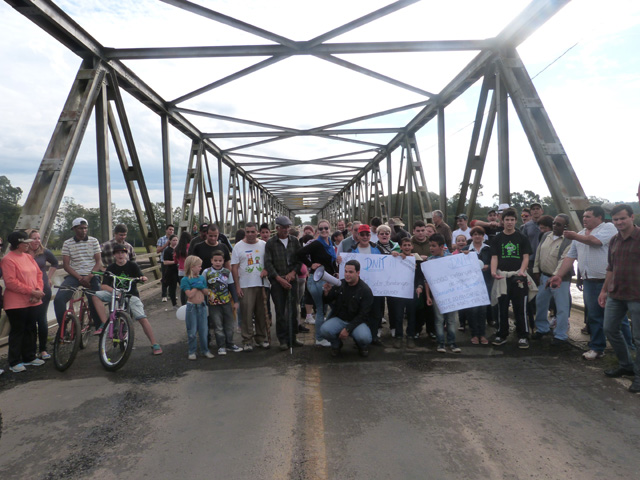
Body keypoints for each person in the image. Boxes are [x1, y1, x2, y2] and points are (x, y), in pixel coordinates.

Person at [548, 206, 618, 360]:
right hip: (589, 282)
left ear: (599, 217)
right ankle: (598, 347)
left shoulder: (608, 228)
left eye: (588, 216)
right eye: (584, 216)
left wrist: (574, 236)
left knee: (616, 317)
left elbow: (596, 242)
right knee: (594, 315)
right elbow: (570, 257)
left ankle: (627, 347)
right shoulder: (579, 235)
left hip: (608, 281)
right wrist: (559, 275)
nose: (584, 219)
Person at [94, 243, 163, 355]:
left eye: (123, 252)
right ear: (114, 255)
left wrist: (142, 278)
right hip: (115, 295)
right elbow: (104, 286)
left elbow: (141, 276)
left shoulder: (132, 265)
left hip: (131, 295)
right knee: (95, 295)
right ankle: (104, 324)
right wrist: (115, 291)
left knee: (142, 318)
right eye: (118, 253)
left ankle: (154, 343)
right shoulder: (111, 268)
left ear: (126, 254)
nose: (120, 255)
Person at [599, 204, 640, 392]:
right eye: (615, 219)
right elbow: (610, 268)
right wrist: (604, 291)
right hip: (616, 293)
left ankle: (639, 376)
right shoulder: (614, 240)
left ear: (632, 217)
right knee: (610, 329)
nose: (619, 222)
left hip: (637, 295)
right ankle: (626, 365)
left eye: (623, 218)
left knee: (638, 338)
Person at [1, 232, 45, 373]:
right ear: (18, 244)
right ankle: (14, 362)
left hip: (33, 300)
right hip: (16, 303)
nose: (28, 244)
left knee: (31, 329)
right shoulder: (8, 260)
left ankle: (29, 357)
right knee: (18, 331)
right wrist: (32, 292)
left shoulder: (28, 257)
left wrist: (38, 290)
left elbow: (39, 274)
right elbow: (11, 282)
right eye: (25, 242)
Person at [53, 217, 107, 332]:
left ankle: (100, 326)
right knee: (59, 299)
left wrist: (89, 276)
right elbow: (66, 265)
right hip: (74, 275)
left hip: (91, 274)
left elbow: (98, 262)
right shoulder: (67, 243)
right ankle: (63, 327)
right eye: (80, 228)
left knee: (95, 298)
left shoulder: (93, 241)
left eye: (85, 228)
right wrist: (79, 278)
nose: (83, 231)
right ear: (74, 229)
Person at [490, 208, 533, 349]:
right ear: (502, 221)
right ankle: (502, 334)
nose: (509, 222)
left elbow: (526, 257)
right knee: (501, 307)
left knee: (520, 307)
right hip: (502, 276)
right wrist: (493, 272)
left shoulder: (522, 238)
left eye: (512, 220)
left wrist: (521, 271)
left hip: (518, 276)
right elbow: (494, 257)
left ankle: (523, 335)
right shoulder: (497, 238)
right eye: (507, 220)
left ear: (515, 221)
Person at [531, 214, 573, 346]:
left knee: (561, 307)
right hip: (544, 276)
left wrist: (555, 276)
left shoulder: (569, 241)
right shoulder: (545, 236)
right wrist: (536, 270)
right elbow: (538, 253)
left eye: (558, 224)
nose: (555, 226)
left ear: (565, 226)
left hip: (560, 279)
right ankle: (542, 328)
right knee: (541, 303)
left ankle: (560, 335)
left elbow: (564, 260)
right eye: (554, 223)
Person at [264, 215, 304, 350]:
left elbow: (300, 260)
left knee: (293, 309)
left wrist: (293, 273)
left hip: (292, 279)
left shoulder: (295, 241)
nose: (286, 230)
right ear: (277, 228)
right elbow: (268, 263)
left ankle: (293, 337)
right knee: (280, 311)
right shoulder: (270, 243)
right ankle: (283, 339)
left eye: (288, 227)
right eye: (283, 227)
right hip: (277, 281)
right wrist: (279, 279)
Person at [320, 259, 374, 357]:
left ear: (358, 273)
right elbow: (327, 300)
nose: (347, 274)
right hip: (340, 319)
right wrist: (326, 293)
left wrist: (348, 329)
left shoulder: (365, 290)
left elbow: (363, 314)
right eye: (345, 271)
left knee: (364, 337)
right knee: (324, 330)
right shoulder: (340, 284)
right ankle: (336, 345)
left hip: (358, 322)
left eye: (350, 272)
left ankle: (361, 345)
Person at [296, 219, 336, 347]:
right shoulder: (316, 244)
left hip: (328, 279)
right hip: (318, 280)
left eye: (326, 228)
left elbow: (330, 262)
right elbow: (299, 253)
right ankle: (319, 338)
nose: (324, 230)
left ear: (330, 229)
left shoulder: (330, 243)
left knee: (333, 307)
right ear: (317, 231)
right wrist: (310, 265)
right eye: (321, 229)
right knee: (320, 310)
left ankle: (325, 331)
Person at [231, 222, 269, 351]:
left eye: (253, 232)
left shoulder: (264, 245)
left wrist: (267, 270)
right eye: (248, 232)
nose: (251, 234)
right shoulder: (238, 246)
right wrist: (237, 286)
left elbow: (270, 262)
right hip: (245, 285)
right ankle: (247, 340)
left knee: (261, 314)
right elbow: (234, 267)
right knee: (246, 314)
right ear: (245, 232)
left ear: (257, 232)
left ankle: (261, 338)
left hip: (261, 283)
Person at [424, 234, 461, 353]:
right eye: (430, 246)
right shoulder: (429, 261)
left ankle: (452, 343)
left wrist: (465, 255)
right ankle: (441, 344)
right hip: (437, 296)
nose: (431, 248)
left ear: (441, 246)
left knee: (451, 320)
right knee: (439, 320)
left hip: (451, 295)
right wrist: (428, 296)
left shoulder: (451, 258)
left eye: (433, 246)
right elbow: (427, 281)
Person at [26, 229, 58, 360]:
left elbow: (55, 263)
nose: (37, 241)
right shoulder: (23, 253)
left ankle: (43, 349)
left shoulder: (44, 252)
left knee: (42, 319)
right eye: (34, 238)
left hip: (43, 288)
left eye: (38, 238)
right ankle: (31, 351)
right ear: (27, 240)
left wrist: (49, 277)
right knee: (31, 321)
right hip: (29, 290)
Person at [204, 250, 242, 355]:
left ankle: (230, 343)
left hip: (226, 302)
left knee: (229, 324)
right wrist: (204, 302)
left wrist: (235, 301)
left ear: (223, 261)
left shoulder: (227, 272)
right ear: (211, 261)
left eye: (220, 260)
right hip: (213, 304)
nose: (217, 262)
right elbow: (203, 288)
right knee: (218, 325)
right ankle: (221, 346)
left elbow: (231, 286)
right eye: (215, 260)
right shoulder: (206, 272)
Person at [462, 226, 492, 345]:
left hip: (485, 282)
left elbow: (494, 263)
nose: (477, 236)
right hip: (471, 284)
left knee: (483, 310)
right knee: (472, 310)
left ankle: (482, 334)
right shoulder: (465, 250)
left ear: (483, 236)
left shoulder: (489, 249)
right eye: (475, 234)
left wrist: (488, 267)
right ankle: (474, 334)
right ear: (472, 236)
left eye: (480, 234)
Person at [181, 255, 214, 360]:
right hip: (192, 307)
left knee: (204, 330)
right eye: (199, 266)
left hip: (202, 306)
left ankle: (205, 350)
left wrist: (204, 288)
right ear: (192, 267)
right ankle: (192, 351)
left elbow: (205, 292)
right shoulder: (185, 280)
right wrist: (196, 286)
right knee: (192, 331)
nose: (200, 268)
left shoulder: (201, 278)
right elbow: (189, 295)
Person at [156, 224, 174, 302]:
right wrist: (166, 244)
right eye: (170, 229)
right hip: (164, 261)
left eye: (172, 230)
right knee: (165, 278)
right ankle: (164, 295)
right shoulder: (161, 239)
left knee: (172, 278)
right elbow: (158, 250)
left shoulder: (175, 239)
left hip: (173, 262)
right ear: (166, 230)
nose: (171, 231)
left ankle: (171, 294)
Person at [175, 231, 191, 305]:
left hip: (180, 270)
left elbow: (175, 260)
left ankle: (183, 304)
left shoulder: (177, 248)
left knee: (183, 289)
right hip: (189, 269)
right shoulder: (189, 246)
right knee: (190, 287)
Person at [162, 234, 179, 307]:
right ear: (170, 241)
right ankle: (174, 304)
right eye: (173, 240)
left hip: (179, 270)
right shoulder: (167, 250)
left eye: (176, 240)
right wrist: (175, 262)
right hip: (171, 270)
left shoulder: (178, 249)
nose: (175, 242)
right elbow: (165, 262)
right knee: (173, 287)